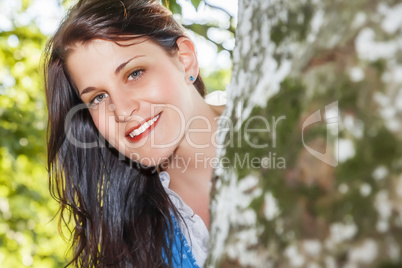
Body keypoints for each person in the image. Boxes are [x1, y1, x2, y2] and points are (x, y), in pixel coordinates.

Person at [44, 0, 225, 267]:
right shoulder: (130, 245)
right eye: (98, 97)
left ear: (185, 60)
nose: (123, 111)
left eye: (134, 73)